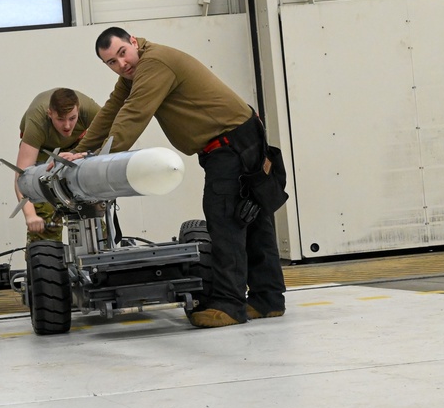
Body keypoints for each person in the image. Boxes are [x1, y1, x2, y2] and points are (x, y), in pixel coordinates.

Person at [66, 27, 286, 328]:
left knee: (225, 221)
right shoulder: (133, 74)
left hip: (231, 144)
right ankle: (268, 300)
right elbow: (110, 112)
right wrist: (81, 152)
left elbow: (134, 114)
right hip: (237, 139)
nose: (122, 64)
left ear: (133, 41)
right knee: (252, 219)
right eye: (112, 63)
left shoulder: (154, 64)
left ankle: (229, 305)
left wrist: (100, 159)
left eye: (122, 53)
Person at [15, 88, 101, 242]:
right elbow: (22, 177)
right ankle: (45, 259)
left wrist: (83, 155)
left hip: (77, 147)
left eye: (72, 118)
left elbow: (113, 138)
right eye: (60, 119)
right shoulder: (37, 121)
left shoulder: (90, 111)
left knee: (91, 209)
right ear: (50, 114)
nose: (67, 125)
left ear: (78, 111)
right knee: (45, 215)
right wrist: (31, 216)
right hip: (43, 150)